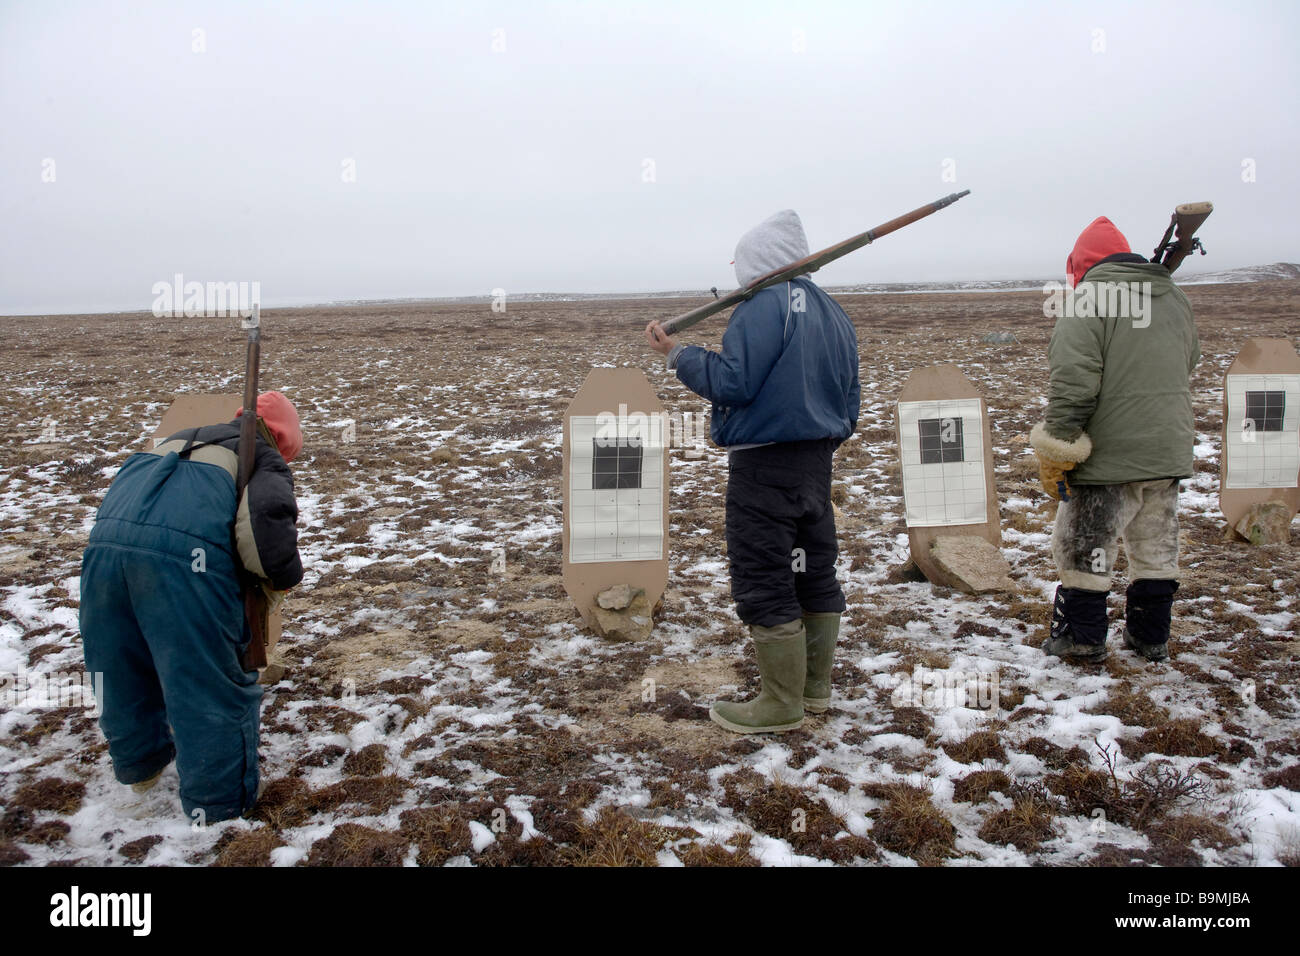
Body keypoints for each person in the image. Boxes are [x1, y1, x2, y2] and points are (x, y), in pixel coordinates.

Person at [646, 209, 860, 733]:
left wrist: (677, 354)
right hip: (817, 462)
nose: (738, 270)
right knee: (812, 569)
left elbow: (734, 383)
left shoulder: (765, 306)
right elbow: (851, 395)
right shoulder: (832, 311)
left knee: (764, 572)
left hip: (765, 467)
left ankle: (780, 702)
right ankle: (814, 691)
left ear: (760, 261)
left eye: (742, 261)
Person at [79, 392, 303, 821]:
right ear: (281, 437)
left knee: (121, 667)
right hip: (184, 567)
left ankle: (139, 769)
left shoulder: (173, 440)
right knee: (207, 681)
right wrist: (282, 583)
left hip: (103, 555)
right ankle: (217, 810)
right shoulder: (261, 455)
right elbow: (267, 544)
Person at [1030, 216, 1199, 663]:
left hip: (1110, 457)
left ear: (1080, 265)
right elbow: (1190, 359)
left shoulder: (1088, 301)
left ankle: (1081, 637)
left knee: (1085, 546)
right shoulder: (1173, 297)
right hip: (1168, 450)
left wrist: (1058, 448)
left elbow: (1072, 384)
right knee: (1155, 545)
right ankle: (1150, 637)